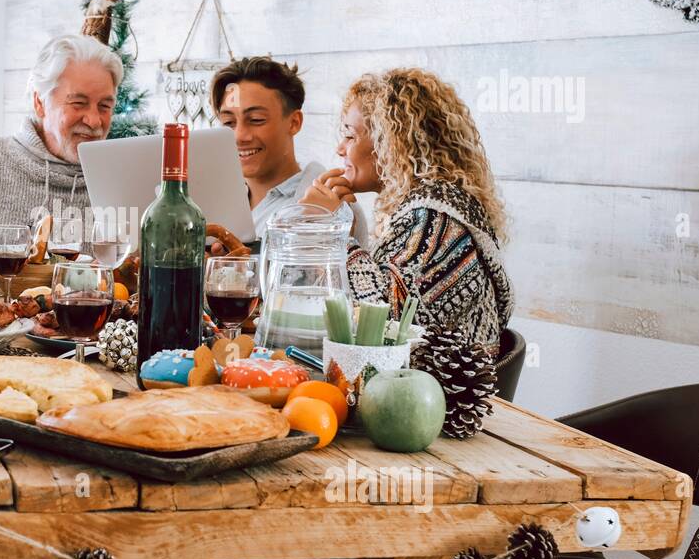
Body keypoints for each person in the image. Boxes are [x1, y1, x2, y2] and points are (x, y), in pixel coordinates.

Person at [302, 68, 513, 354]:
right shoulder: (430, 206)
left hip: (429, 393)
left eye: (350, 136)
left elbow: (382, 319)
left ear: (391, 142)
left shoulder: (435, 218)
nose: (340, 148)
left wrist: (327, 231)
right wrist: (341, 233)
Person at [0, 33, 123, 250]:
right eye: (78, 103)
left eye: (104, 106)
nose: (94, 121)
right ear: (40, 102)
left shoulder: (120, 181)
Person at [210, 56, 367, 246]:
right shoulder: (216, 204)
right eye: (228, 123)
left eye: (256, 119)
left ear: (294, 122)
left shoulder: (332, 205)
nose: (239, 136)